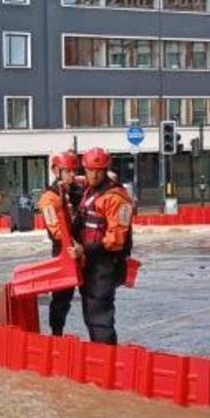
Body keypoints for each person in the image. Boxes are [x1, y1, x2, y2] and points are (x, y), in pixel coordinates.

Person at [76, 147, 134, 345]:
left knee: (100, 317)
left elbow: (115, 241)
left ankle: (107, 362)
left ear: (105, 170)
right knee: (91, 315)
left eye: (99, 170)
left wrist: (84, 249)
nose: (94, 174)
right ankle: (100, 359)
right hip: (89, 263)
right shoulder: (91, 191)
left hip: (104, 264)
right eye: (90, 170)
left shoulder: (117, 198)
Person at [37, 150, 84, 336]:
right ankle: (56, 332)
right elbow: (55, 229)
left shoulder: (72, 192)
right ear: (57, 171)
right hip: (64, 250)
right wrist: (73, 244)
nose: (73, 175)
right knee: (62, 295)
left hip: (79, 247)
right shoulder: (49, 198)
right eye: (68, 171)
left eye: (74, 171)